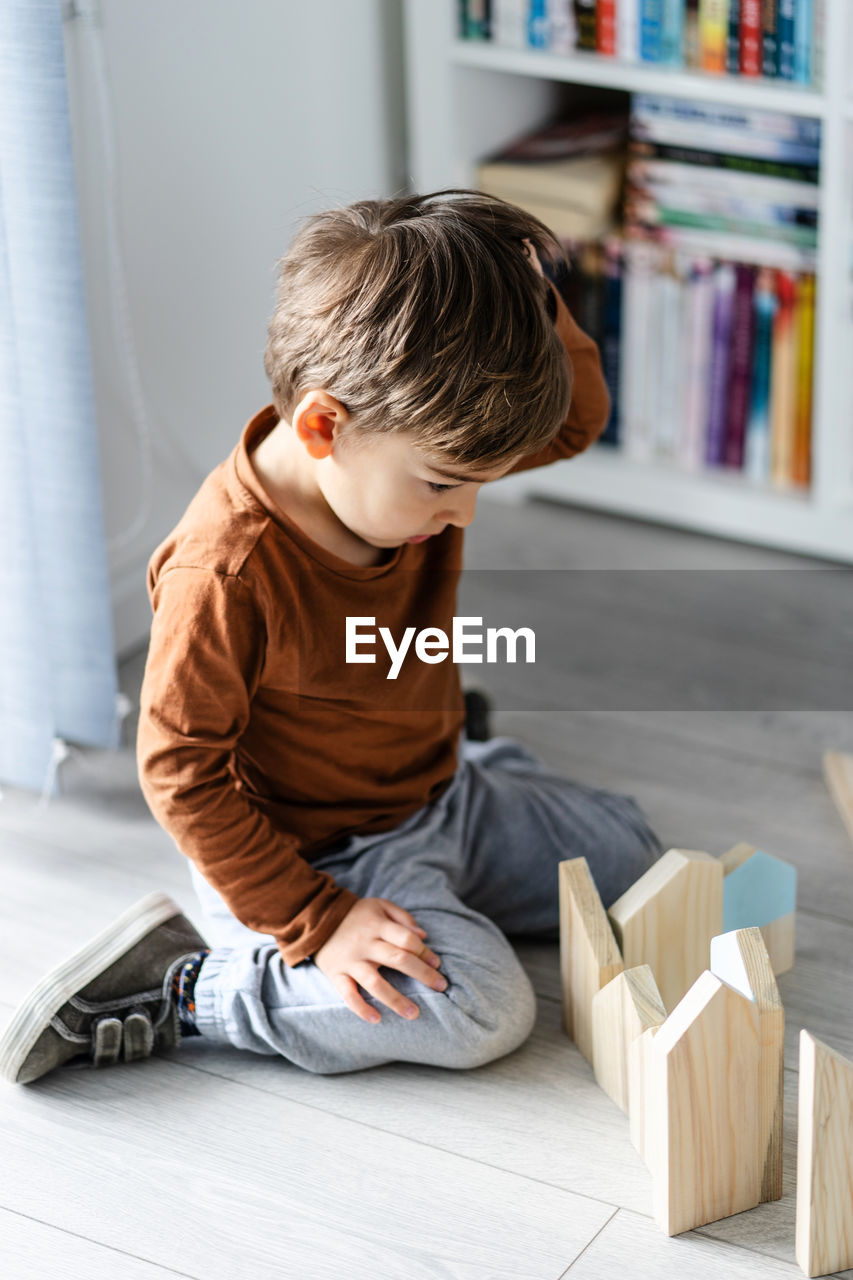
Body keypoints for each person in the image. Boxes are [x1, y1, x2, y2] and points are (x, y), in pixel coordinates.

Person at [0, 190, 662, 1086]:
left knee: (635, 854)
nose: (465, 512)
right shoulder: (223, 571)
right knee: (478, 1010)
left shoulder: (407, 450)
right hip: (318, 855)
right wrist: (318, 917)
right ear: (323, 426)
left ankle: (475, 766)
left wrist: (526, 293)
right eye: (444, 486)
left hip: (435, 790)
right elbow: (180, 773)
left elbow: (572, 423)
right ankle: (182, 988)